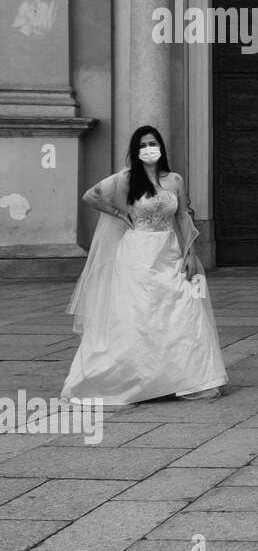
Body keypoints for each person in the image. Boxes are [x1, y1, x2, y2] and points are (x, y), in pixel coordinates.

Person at [62, 125, 227, 404]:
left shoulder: (174, 179)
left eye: (152, 143)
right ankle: (138, 377)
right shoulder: (127, 179)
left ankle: (184, 377)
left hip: (171, 250)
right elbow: (91, 195)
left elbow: (183, 217)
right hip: (138, 252)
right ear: (136, 151)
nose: (148, 149)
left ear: (160, 147)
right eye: (142, 145)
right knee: (141, 312)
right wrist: (118, 212)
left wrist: (190, 254)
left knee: (181, 307)